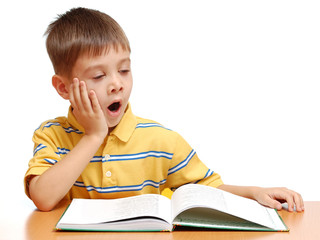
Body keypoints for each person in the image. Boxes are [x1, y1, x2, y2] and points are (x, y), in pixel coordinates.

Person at [24, 7, 304, 212]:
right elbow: (43, 199)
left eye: (124, 70)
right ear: (63, 88)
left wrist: (255, 192)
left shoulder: (160, 140)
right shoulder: (52, 135)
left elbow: (206, 189)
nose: (116, 84)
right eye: (99, 76)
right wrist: (93, 136)